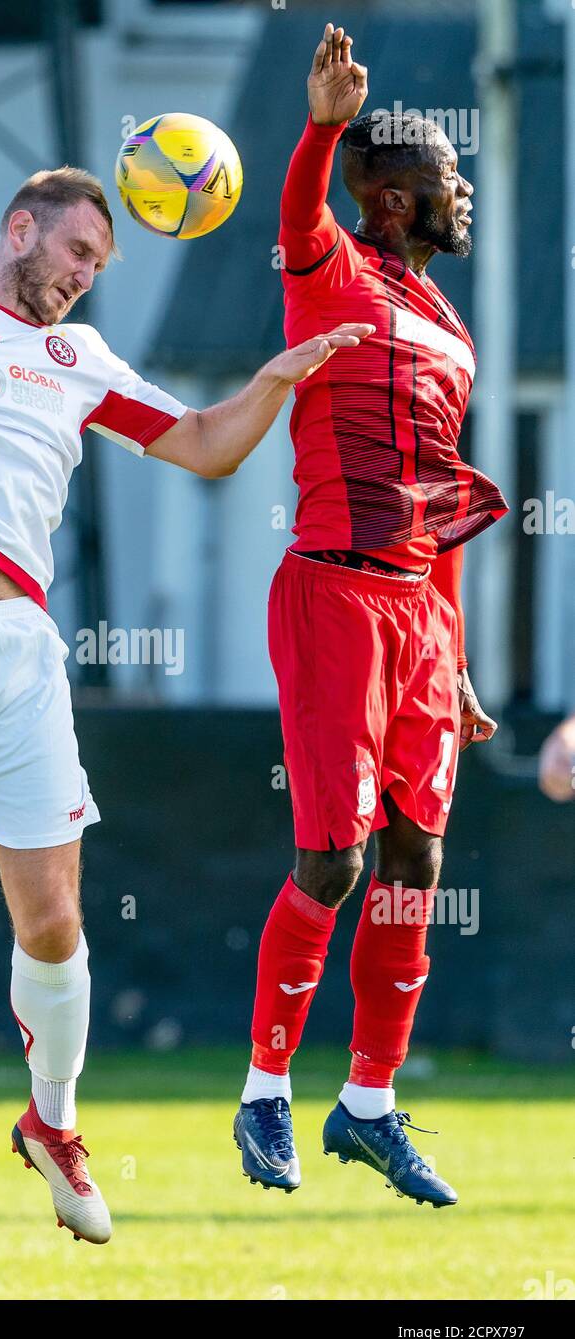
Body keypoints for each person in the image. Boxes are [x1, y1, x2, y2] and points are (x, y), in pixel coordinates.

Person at [0, 163, 372, 1261]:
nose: (83, 279)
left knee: (54, 919)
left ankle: (50, 1121)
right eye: (74, 255)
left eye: (98, 267)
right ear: (18, 230)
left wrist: (274, 382)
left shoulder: (81, 359)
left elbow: (200, 442)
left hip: (18, 651)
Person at [233, 22, 508, 1207]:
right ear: (388, 198)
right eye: (446, 175)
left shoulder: (451, 330)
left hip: (417, 614)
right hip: (333, 590)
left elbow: (443, 504)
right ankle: (262, 1094)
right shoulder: (328, 268)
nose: (462, 188)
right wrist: (322, 127)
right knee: (332, 862)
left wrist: (457, 663)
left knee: (414, 859)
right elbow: (295, 212)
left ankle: (368, 1105)